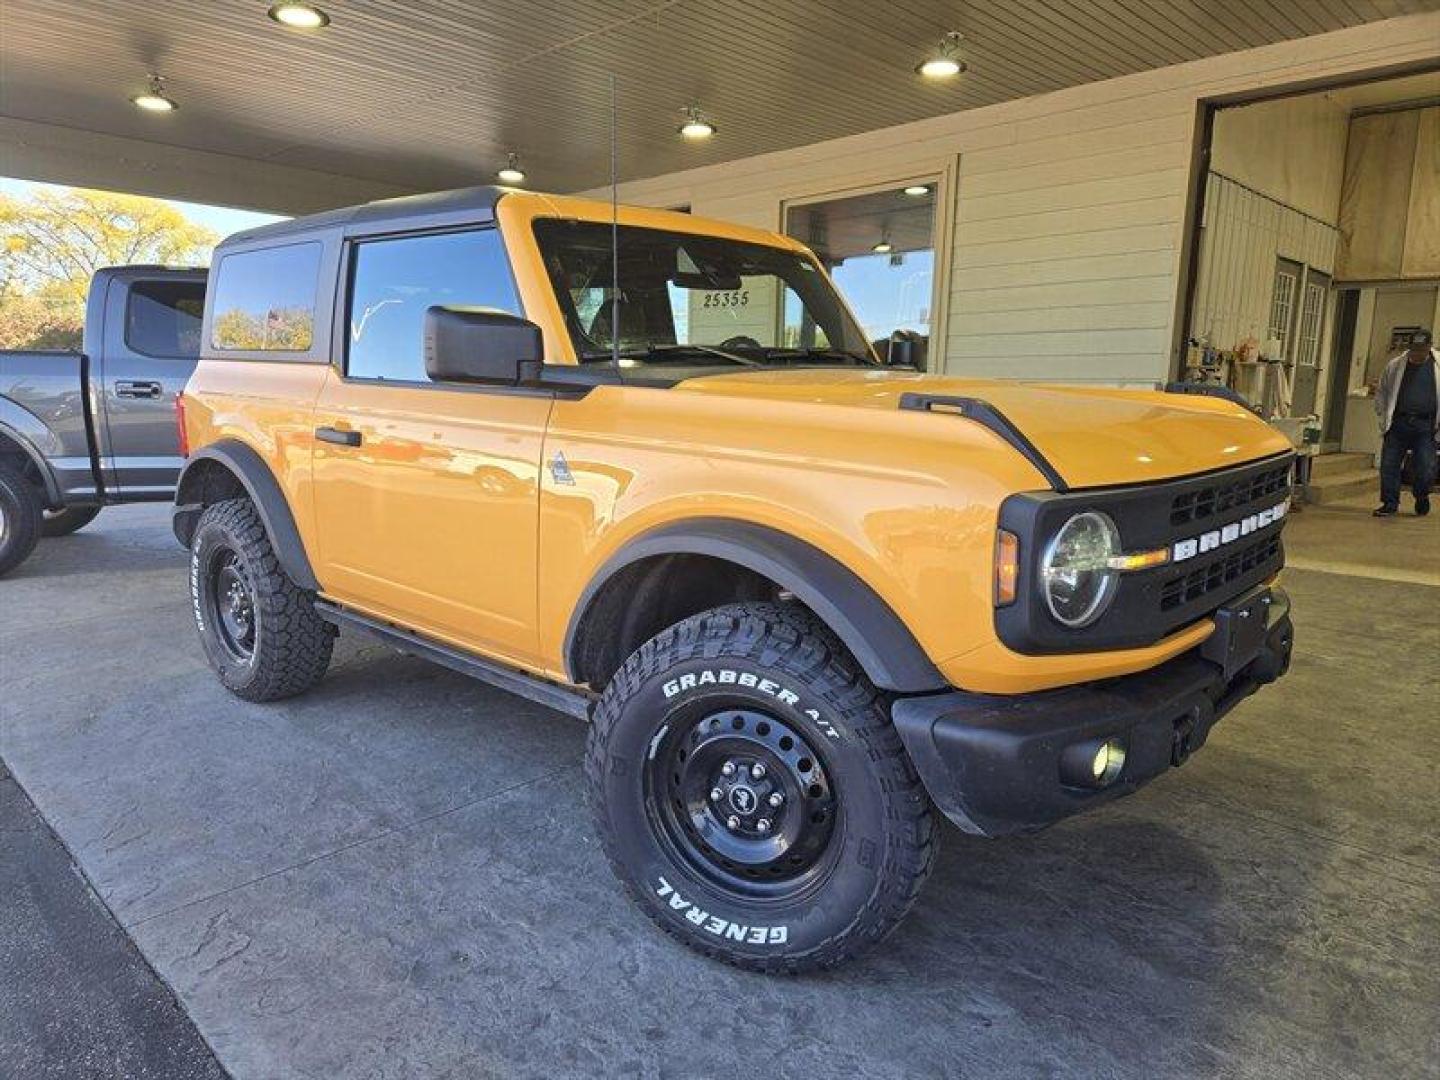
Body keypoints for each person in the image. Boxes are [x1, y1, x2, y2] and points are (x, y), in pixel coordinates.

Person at [1373, 328, 1438, 517]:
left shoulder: (1437, 366)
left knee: (1426, 467)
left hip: (1426, 425)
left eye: (1422, 350)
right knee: (1389, 465)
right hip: (1398, 423)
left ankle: (1421, 495)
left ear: (1429, 348)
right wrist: (1383, 415)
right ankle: (1390, 503)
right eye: (1414, 350)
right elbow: (1382, 392)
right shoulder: (1395, 366)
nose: (1417, 354)